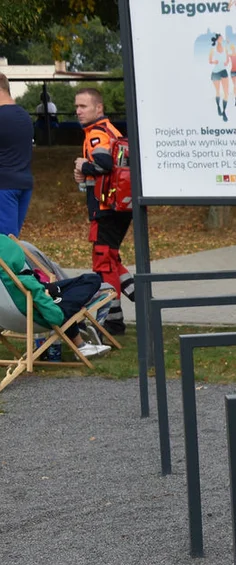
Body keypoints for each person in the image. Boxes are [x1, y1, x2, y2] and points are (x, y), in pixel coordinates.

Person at [73, 88, 134, 336]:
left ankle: (113, 321)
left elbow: (103, 164)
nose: (78, 111)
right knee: (111, 259)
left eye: (83, 106)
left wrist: (82, 165)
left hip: (106, 209)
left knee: (103, 261)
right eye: (76, 106)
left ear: (99, 108)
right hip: (118, 207)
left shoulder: (97, 134)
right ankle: (143, 301)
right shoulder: (112, 130)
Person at [0, 234, 111, 358]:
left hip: (9, 318)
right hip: (39, 314)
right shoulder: (25, 281)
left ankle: (80, 338)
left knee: (89, 279)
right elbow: (56, 317)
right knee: (92, 281)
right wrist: (50, 299)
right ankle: (81, 346)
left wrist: (47, 289)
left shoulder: (6, 280)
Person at [0, 73, 34, 239]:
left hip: (3, 186)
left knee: (4, 242)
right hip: (23, 182)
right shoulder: (24, 116)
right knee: (12, 239)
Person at [209, 34, 230, 122]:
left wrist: (227, 63)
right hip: (215, 72)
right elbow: (210, 61)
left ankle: (224, 111)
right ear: (217, 39)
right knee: (218, 91)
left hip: (223, 71)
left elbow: (228, 58)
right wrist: (214, 61)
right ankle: (218, 106)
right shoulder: (213, 49)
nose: (222, 39)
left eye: (222, 38)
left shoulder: (225, 48)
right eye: (220, 38)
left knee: (226, 93)